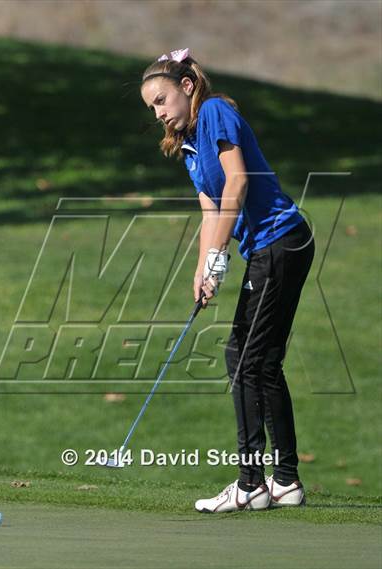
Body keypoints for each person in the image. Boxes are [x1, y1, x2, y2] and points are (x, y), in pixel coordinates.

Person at [140, 48, 315, 513]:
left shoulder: (216, 112)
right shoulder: (190, 143)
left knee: (244, 358)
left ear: (187, 87)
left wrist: (220, 254)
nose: (157, 113)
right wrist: (202, 268)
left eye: (161, 100)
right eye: (151, 107)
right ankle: (286, 482)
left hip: (280, 241)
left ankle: (251, 483)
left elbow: (236, 183)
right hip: (269, 248)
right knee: (259, 360)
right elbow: (210, 209)